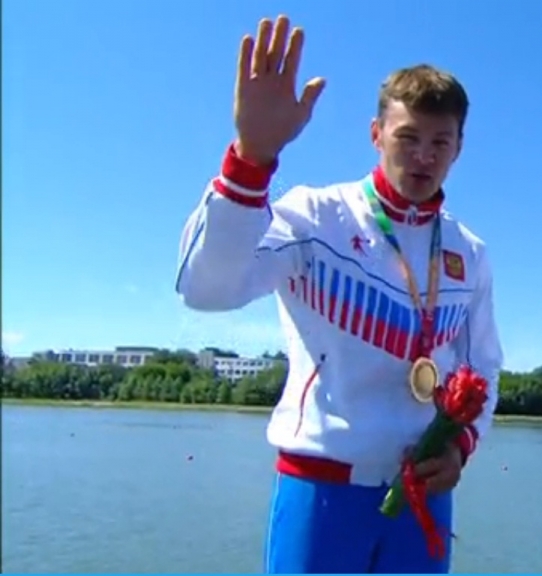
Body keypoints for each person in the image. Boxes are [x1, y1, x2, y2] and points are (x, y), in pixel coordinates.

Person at [174, 15, 503, 574]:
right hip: (321, 492)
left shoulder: (468, 252)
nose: (424, 156)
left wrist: (459, 446)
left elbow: (484, 367)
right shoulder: (315, 217)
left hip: (422, 492)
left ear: (459, 148)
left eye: (439, 142)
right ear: (376, 135)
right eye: (407, 138)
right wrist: (251, 158)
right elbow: (206, 288)